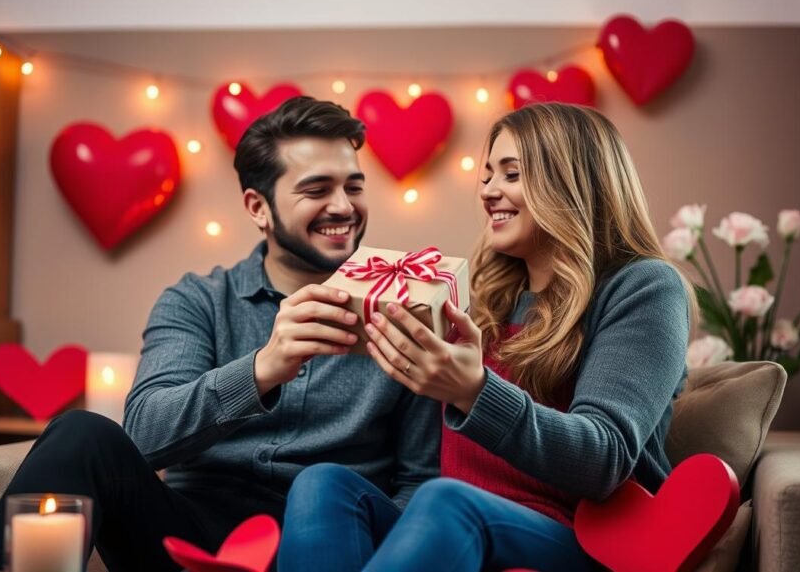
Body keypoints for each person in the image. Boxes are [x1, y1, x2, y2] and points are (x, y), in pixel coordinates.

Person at [0, 97, 441, 571]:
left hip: (328, 542)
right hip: (191, 539)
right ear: (259, 207)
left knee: (323, 490)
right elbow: (145, 434)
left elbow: (419, 479)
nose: (343, 206)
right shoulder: (198, 301)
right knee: (81, 432)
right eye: (316, 189)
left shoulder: (407, 310)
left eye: (353, 187)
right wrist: (260, 371)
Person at [277, 102, 695, 572]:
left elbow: (603, 459)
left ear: (571, 183)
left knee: (447, 502)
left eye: (511, 175)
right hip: (459, 526)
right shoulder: (484, 298)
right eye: (488, 176)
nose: (489, 192)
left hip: (581, 541)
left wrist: (474, 392)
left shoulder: (643, 287)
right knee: (323, 486)